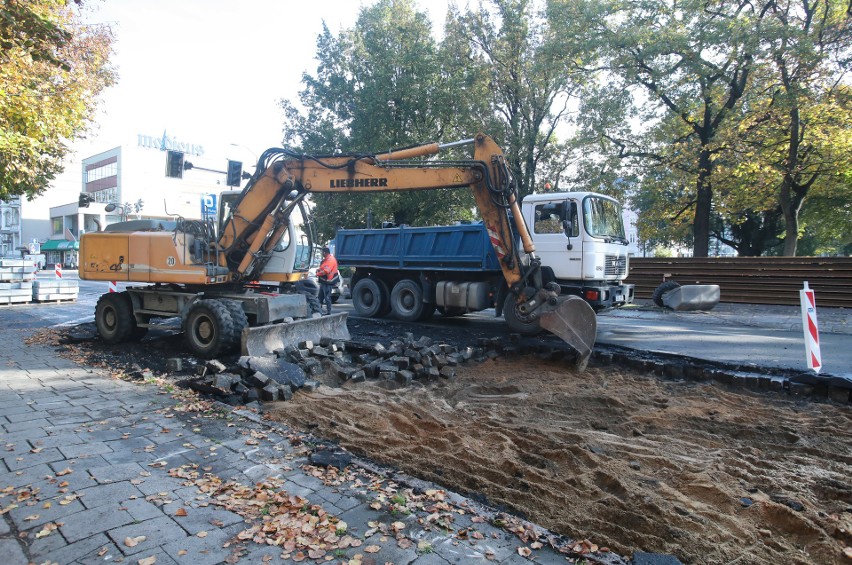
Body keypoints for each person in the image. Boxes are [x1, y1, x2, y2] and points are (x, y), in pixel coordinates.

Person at [315, 246, 340, 315]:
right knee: (320, 297)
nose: (321, 253)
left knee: (327, 297)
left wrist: (318, 274)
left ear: (325, 252)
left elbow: (326, 271)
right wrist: (319, 270)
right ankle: (318, 311)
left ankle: (328, 312)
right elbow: (323, 267)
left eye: (322, 252)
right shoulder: (326, 259)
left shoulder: (330, 260)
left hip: (328, 281)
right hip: (324, 281)